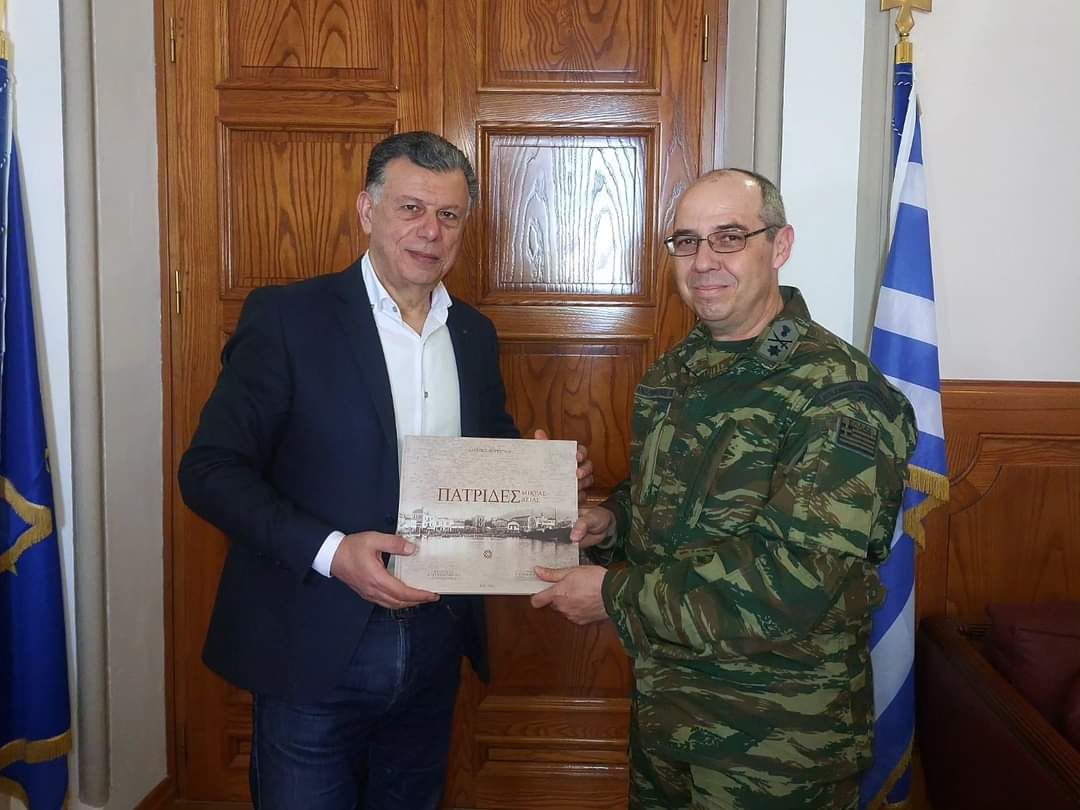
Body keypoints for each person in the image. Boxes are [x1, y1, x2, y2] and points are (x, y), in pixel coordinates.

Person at [179, 131, 591, 810]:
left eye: (449, 215)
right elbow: (210, 471)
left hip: (434, 639)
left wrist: (543, 474)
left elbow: (486, 454)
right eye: (411, 208)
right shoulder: (287, 318)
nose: (431, 231)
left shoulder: (473, 334)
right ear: (367, 210)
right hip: (312, 644)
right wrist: (333, 553)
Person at [531, 169, 917, 810]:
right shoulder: (676, 372)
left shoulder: (838, 393)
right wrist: (612, 521)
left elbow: (796, 577)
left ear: (780, 245)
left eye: (729, 237)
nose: (704, 260)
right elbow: (673, 502)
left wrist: (613, 595)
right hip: (667, 718)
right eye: (686, 241)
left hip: (774, 745)